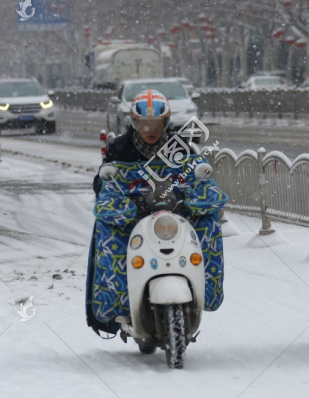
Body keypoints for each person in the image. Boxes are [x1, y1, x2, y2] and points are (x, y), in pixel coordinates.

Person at [86, 90, 228, 335]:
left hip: (176, 214)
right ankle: (116, 300)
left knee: (208, 220)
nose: (149, 130)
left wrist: (195, 191)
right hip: (133, 217)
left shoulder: (181, 146)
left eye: (155, 124)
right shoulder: (120, 147)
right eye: (143, 124)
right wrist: (112, 191)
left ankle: (206, 288)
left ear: (166, 122)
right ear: (134, 122)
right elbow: (103, 180)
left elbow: (196, 173)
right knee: (107, 230)